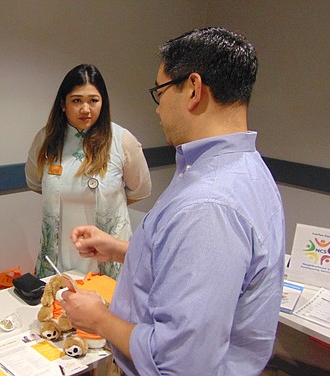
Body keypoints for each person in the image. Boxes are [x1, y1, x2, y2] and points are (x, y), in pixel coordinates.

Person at [61, 28, 286, 375]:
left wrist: (100, 319)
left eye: (160, 92)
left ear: (193, 89)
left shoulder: (209, 206)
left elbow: (178, 359)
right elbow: (193, 269)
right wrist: (123, 249)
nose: (158, 108)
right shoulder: (246, 170)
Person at [25, 64, 151, 279]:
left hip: (107, 251)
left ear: (103, 102)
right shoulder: (46, 138)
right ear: (63, 104)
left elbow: (140, 190)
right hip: (59, 250)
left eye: (93, 100)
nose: (86, 109)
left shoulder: (121, 140)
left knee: (105, 306)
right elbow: (35, 183)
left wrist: (108, 205)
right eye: (76, 101)